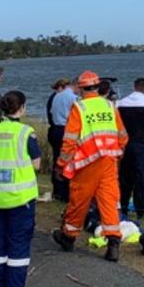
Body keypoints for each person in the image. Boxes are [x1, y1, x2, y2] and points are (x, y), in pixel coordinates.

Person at [52, 71, 128, 262]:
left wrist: (61, 164)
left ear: (81, 88)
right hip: (109, 160)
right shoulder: (110, 105)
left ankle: (68, 237)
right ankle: (113, 244)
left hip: (87, 162)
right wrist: (117, 152)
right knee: (109, 201)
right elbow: (122, 136)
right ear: (97, 86)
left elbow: (69, 140)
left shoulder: (79, 108)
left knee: (79, 200)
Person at [0, 91, 41, 287]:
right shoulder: (25, 133)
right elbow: (36, 165)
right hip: (19, 198)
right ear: (22, 108)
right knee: (18, 248)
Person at [118, 77, 144, 219]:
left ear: (133, 87)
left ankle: (123, 206)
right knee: (140, 176)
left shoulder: (121, 103)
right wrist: (143, 124)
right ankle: (140, 208)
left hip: (123, 144)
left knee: (124, 176)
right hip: (139, 144)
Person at [48, 78, 79, 201]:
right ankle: (67, 192)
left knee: (58, 159)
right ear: (76, 85)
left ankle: (58, 190)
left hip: (56, 129)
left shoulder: (57, 96)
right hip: (67, 130)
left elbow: (51, 112)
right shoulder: (73, 98)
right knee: (69, 160)